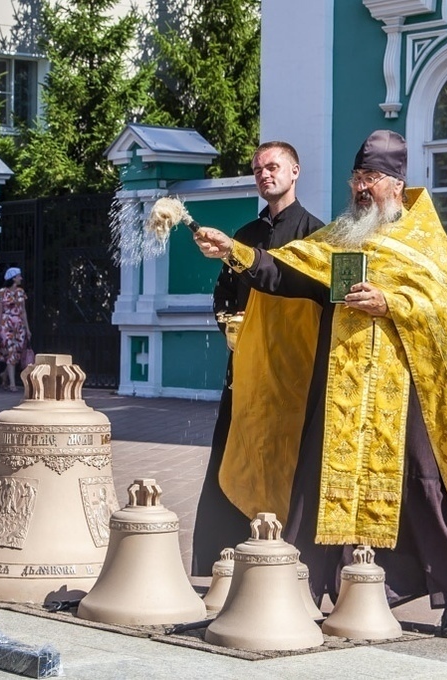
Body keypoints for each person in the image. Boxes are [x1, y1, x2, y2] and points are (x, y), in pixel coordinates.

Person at [192, 130, 447, 638]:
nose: (361, 189)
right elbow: (294, 277)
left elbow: (446, 312)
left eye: (370, 179)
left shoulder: (421, 239)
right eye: (356, 179)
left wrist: (392, 304)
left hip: (405, 389)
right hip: (343, 383)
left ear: (396, 183)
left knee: (421, 482)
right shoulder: (346, 238)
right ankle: (304, 587)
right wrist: (237, 253)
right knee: (319, 477)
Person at [191, 141, 325, 578]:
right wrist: (227, 325)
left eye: (273, 167)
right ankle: (227, 555)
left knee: (293, 457)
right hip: (245, 368)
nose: (265, 174)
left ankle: (292, 555)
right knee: (236, 449)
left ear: (295, 171)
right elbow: (223, 293)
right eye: (258, 170)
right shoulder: (245, 235)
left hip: (294, 372)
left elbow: (318, 299)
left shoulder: (316, 234)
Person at [0, 266, 31, 393]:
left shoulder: (21, 292)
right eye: (18, 276)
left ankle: (4, 375)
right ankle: (12, 384)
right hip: (6, 324)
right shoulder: (2, 292)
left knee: (17, 353)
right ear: (13, 278)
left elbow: (23, 311)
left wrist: (27, 329)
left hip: (19, 325)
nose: (20, 278)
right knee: (11, 352)